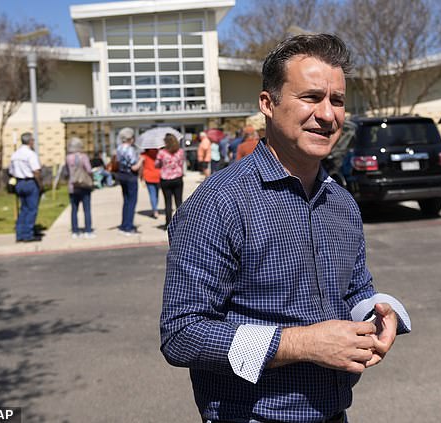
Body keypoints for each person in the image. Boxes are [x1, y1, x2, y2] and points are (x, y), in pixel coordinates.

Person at [160, 34, 411, 423]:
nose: (328, 114)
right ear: (268, 104)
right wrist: (302, 344)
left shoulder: (341, 203)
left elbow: (356, 290)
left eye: (338, 100)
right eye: (311, 97)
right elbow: (182, 334)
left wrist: (382, 314)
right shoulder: (219, 202)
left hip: (334, 414)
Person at [8, 132, 43, 242]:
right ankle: (28, 234)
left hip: (19, 182)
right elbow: (36, 171)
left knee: (23, 209)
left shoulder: (15, 154)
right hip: (30, 182)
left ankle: (20, 234)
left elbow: (11, 171)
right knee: (32, 209)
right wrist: (40, 185)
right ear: (30, 141)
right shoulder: (30, 154)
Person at [65, 137, 95, 239]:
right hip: (84, 184)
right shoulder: (84, 157)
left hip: (73, 185)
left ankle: (75, 231)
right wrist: (92, 180)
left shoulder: (68, 158)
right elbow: (89, 170)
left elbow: (67, 172)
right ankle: (88, 230)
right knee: (87, 209)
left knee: (74, 209)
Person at [115, 127, 143, 235]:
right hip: (130, 176)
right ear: (130, 138)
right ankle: (128, 226)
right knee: (132, 202)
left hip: (122, 175)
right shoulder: (130, 150)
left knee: (126, 201)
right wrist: (141, 160)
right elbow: (134, 167)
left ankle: (123, 224)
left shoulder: (119, 148)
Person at [155, 134, 186, 228]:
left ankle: (168, 223)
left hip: (165, 179)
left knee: (168, 202)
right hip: (177, 177)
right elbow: (181, 163)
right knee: (179, 201)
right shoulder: (180, 152)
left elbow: (156, 165)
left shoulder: (162, 153)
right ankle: (182, 222)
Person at [141, 148, 161, 218]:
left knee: (152, 194)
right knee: (156, 194)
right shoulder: (159, 153)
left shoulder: (144, 155)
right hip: (158, 175)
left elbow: (141, 167)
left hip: (148, 176)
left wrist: (141, 177)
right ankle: (155, 208)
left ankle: (155, 210)